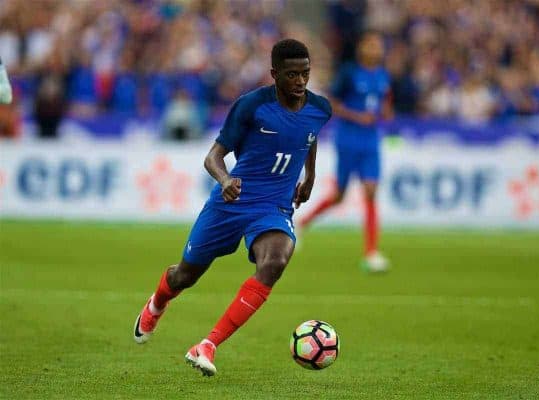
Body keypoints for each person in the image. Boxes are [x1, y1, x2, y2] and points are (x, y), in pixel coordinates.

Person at [133, 39, 331, 377]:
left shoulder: (320, 108)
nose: (300, 82)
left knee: (276, 260)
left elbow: (308, 138)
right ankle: (157, 303)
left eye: (305, 74)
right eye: (292, 75)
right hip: (232, 203)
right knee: (184, 275)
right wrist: (225, 181)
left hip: (274, 206)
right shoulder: (251, 106)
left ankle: (207, 344)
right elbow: (213, 156)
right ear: (274, 74)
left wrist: (309, 176)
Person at [298, 31, 393, 272]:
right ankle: (302, 222)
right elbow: (333, 103)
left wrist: (385, 112)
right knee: (339, 195)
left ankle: (371, 253)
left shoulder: (383, 75)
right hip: (348, 140)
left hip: (371, 142)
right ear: (361, 48)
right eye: (371, 45)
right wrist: (356, 116)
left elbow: (385, 102)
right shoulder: (350, 73)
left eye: (378, 45)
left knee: (371, 191)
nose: (375, 49)